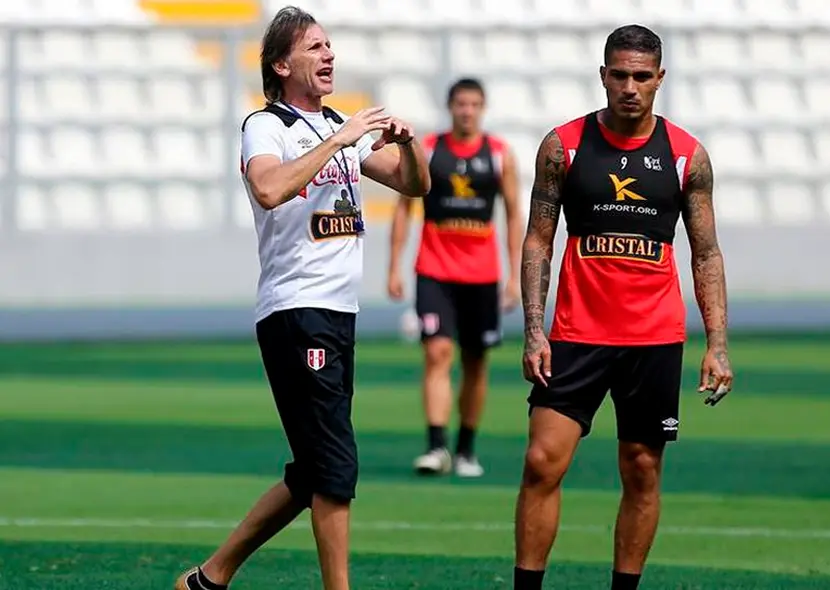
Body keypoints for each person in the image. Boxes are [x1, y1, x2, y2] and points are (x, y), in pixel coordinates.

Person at [174, 6, 429, 590]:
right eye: (315, 47)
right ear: (282, 64)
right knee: (335, 465)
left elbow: (416, 185)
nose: (329, 55)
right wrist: (341, 138)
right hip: (296, 310)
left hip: (338, 314)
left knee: (315, 467)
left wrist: (407, 146)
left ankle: (209, 579)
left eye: (329, 45)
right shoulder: (266, 125)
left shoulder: (338, 125)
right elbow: (267, 188)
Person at [512, 25, 734, 590]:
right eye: (619, 75)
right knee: (542, 462)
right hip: (576, 333)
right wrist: (535, 330)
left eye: (642, 76)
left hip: (653, 338)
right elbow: (539, 239)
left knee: (641, 471)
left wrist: (717, 345)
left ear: (660, 79)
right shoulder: (564, 146)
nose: (629, 87)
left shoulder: (687, 156)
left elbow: (705, 254)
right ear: (603, 75)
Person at [387, 77, 523, 478]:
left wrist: (514, 276)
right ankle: (435, 447)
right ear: (450, 107)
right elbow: (403, 207)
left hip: (482, 275)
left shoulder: (499, 155)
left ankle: (466, 448)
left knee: (476, 362)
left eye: (474, 104)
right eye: (461, 103)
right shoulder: (428, 149)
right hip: (435, 269)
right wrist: (394, 265)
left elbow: (515, 214)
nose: (467, 111)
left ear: (482, 108)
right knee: (437, 353)